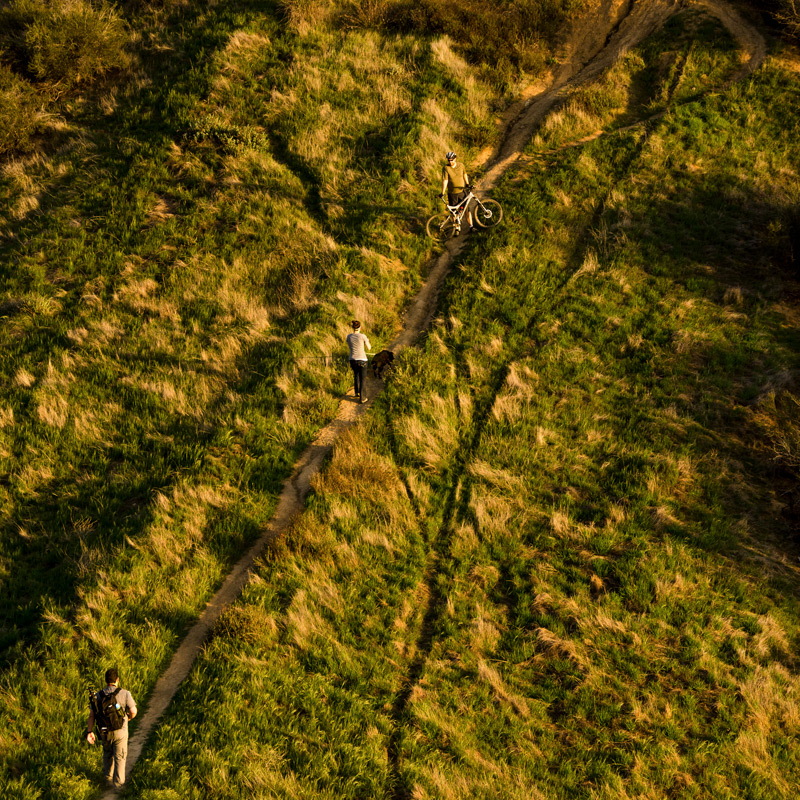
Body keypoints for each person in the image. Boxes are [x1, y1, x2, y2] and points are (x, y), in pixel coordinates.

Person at [85, 668, 137, 789]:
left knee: (107, 754)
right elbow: (133, 711)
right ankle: (118, 786)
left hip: (104, 732)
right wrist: (129, 717)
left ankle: (107, 780)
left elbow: (92, 715)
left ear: (106, 680)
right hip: (120, 731)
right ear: (117, 680)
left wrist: (89, 731)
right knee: (120, 757)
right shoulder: (125, 693)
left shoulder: (98, 695)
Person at [441, 151, 475, 233]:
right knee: (454, 213)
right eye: (449, 160)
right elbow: (445, 180)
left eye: (451, 160)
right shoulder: (446, 168)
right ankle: (456, 229)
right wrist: (442, 192)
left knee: (466, 209)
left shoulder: (461, 165)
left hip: (461, 192)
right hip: (452, 194)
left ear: (455, 159)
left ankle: (471, 227)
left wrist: (467, 184)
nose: (450, 162)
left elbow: (464, 174)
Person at [346, 320, 371, 403]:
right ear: (360, 327)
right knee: (363, 379)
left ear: (353, 328)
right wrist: (367, 341)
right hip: (362, 359)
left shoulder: (349, 337)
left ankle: (357, 392)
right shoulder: (363, 336)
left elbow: (350, 346)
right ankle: (362, 398)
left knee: (356, 375)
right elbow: (369, 348)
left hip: (352, 359)